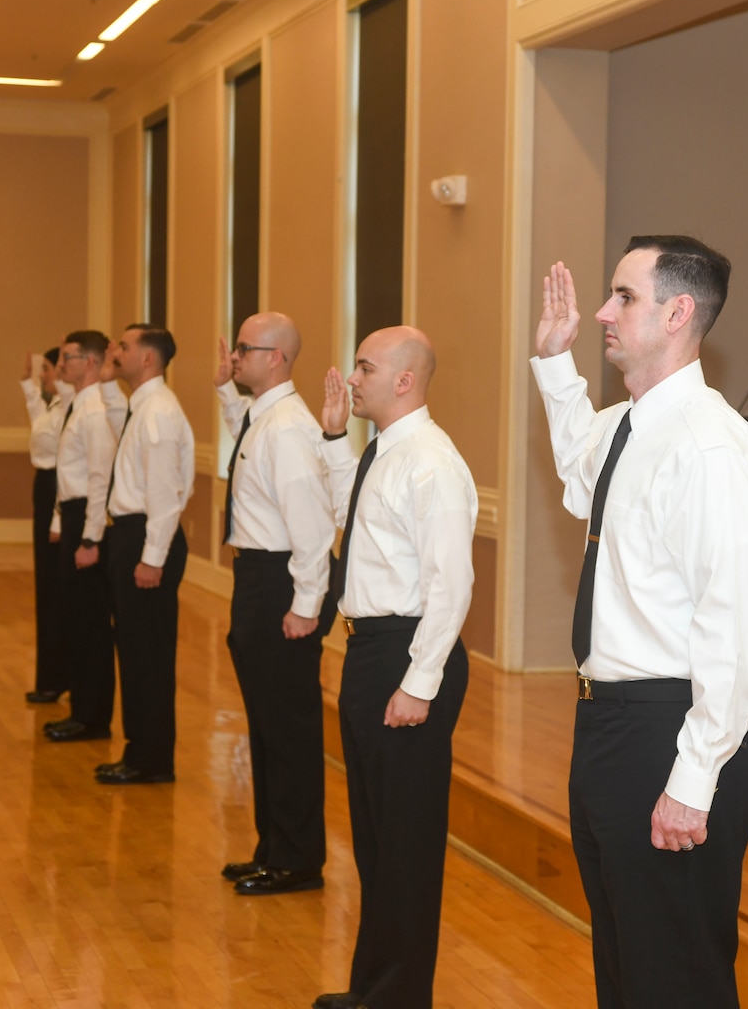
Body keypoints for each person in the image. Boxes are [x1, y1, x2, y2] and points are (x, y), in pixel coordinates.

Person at [531, 238, 748, 1007]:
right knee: (628, 963)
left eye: (623, 297)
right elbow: (582, 477)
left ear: (677, 313)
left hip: (671, 730)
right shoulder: (627, 426)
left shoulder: (711, 446)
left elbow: (738, 629)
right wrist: (553, 364)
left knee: (678, 975)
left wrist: (694, 775)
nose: (603, 313)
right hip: (608, 726)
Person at [313, 326, 476, 1009]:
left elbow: (452, 584)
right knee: (377, 839)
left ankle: (400, 998)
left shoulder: (432, 462)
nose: (352, 378)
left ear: (405, 379)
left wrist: (418, 683)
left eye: (365, 367)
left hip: (406, 655)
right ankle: (374, 988)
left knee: (404, 846)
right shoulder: (386, 450)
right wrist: (330, 441)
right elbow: (359, 513)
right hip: (372, 652)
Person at [213, 313, 334, 895]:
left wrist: (306, 603)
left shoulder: (287, 427)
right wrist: (221, 392)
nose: (235, 357)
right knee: (264, 723)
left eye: (244, 349)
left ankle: (298, 858)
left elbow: (312, 527)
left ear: (276, 358)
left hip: (281, 581)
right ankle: (273, 845)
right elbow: (240, 454)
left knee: (287, 726)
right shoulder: (265, 419)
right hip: (260, 578)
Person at [98, 324, 193, 784]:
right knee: (134, 652)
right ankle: (140, 751)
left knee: (147, 657)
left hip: (146, 538)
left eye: (125, 346)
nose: (116, 351)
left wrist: (152, 557)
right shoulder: (143, 405)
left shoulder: (157, 414)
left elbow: (165, 493)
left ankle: (150, 759)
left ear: (149, 359)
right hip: (133, 537)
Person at [44, 330, 118, 743]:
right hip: (73, 517)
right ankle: (82, 711)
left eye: (68, 357)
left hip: (86, 521)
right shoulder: (78, 405)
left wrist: (89, 540)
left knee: (89, 624)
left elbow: (99, 479)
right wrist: (62, 524)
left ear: (89, 363)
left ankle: (92, 717)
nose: (61, 365)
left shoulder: (93, 412)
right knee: (75, 618)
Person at [22, 347, 71, 704]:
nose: (44, 376)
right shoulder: (53, 407)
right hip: (44, 487)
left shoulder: (71, 406)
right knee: (47, 586)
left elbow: (67, 463)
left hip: (58, 491)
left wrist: (57, 517)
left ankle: (57, 678)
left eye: (48, 369)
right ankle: (50, 677)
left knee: (57, 590)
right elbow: (38, 419)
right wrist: (28, 381)